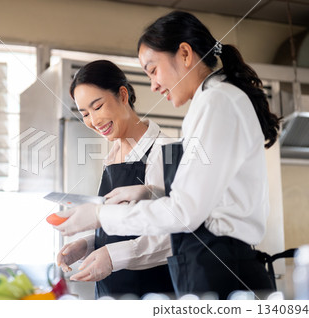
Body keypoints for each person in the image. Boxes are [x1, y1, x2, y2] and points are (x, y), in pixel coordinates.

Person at [53, 11, 282, 300]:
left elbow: (184, 212)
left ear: (184, 54)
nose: (153, 85)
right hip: (209, 262)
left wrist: (101, 216)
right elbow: (203, 197)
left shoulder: (216, 101)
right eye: (84, 113)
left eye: (153, 69)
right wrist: (149, 194)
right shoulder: (212, 100)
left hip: (220, 265)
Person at [56, 60, 175, 299]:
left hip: (153, 292)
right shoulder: (111, 159)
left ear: (122, 95)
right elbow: (125, 226)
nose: (94, 121)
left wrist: (114, 256)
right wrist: (89, 244)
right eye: (85, 114)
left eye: (98, 107)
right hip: (111, 294)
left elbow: (173, 235)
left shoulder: (164, 151)